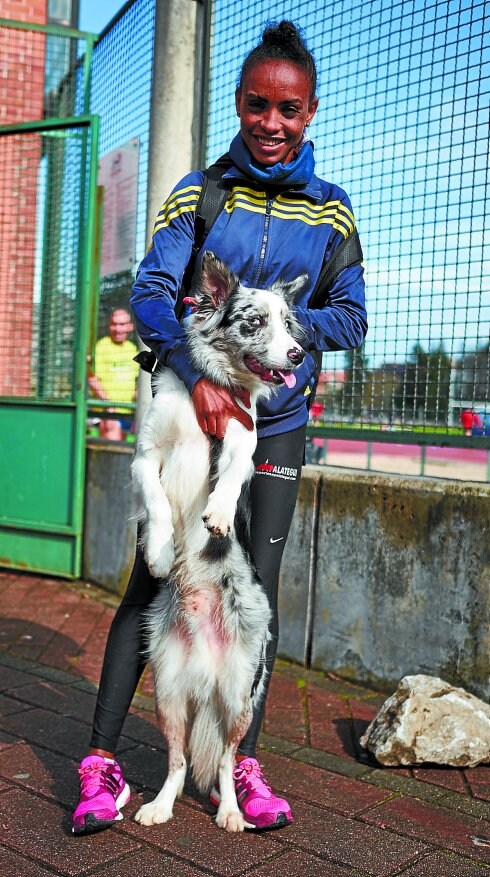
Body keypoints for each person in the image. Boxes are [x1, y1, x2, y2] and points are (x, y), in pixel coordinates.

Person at [73, 20, 367, 836]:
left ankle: (238, 761)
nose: (272, 122)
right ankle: (101, 764)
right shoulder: (197, 192)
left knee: (254, 594)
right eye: (257, 104)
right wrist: (201, 373)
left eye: (290, 109)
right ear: (239, 104)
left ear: (311, 112)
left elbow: (352, 317)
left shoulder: (333, 212)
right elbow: (155, 287)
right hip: (196, 408)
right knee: (154, 577)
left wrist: (280, 330)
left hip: (274, 422)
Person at [88, 308, 139, 440]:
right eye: (114, 324)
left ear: (130, 326)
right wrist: (107, 405)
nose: (117, 329)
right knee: (113, 440)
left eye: (121, 324)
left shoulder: (132, 349)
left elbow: (136, 383)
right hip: (107, 413)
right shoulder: (101, 347)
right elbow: (92, 379)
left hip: (129, 412)